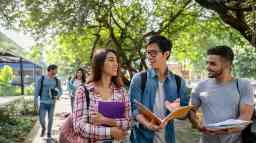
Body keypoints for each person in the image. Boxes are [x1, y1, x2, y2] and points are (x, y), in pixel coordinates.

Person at [129, 35, 190, 143]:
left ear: (166, 54)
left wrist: (176, 111)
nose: (149, 56)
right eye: (148, 53)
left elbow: (184, 115)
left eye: (153, 53)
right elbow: (133, 110)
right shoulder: (139, 79)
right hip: (141, 139)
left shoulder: (179, 82)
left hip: (167, 139)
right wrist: (148, 124)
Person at [189, 46, 254, 143]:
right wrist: (196, 123)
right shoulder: (200, 86)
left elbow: (245, 117)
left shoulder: (243, 85)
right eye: (207, 63)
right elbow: (191, 110)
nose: (208, 67)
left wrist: (224, 130)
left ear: (227, 65)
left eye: (212, 64)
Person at [72, 49, 131, 142]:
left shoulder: (122, 91)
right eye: (111, 60)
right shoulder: (83, 91)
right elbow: (79, 126)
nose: (116, 64)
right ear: (100, 64)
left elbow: (129, 122)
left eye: (117, 61)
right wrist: (110, 131)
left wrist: (105, 120)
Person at [34, 64, 63, 138]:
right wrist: (35, 103)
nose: (57, 71)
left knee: (50, 119)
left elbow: (60, 91)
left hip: (52, 103)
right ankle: (44, 127)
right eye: (56, 69)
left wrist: (57, 96)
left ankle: (49, 133)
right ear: (51, 70)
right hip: (43, 103)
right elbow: (36, 91)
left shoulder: (57, 80)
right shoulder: (42, 78)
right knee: (41, 119)